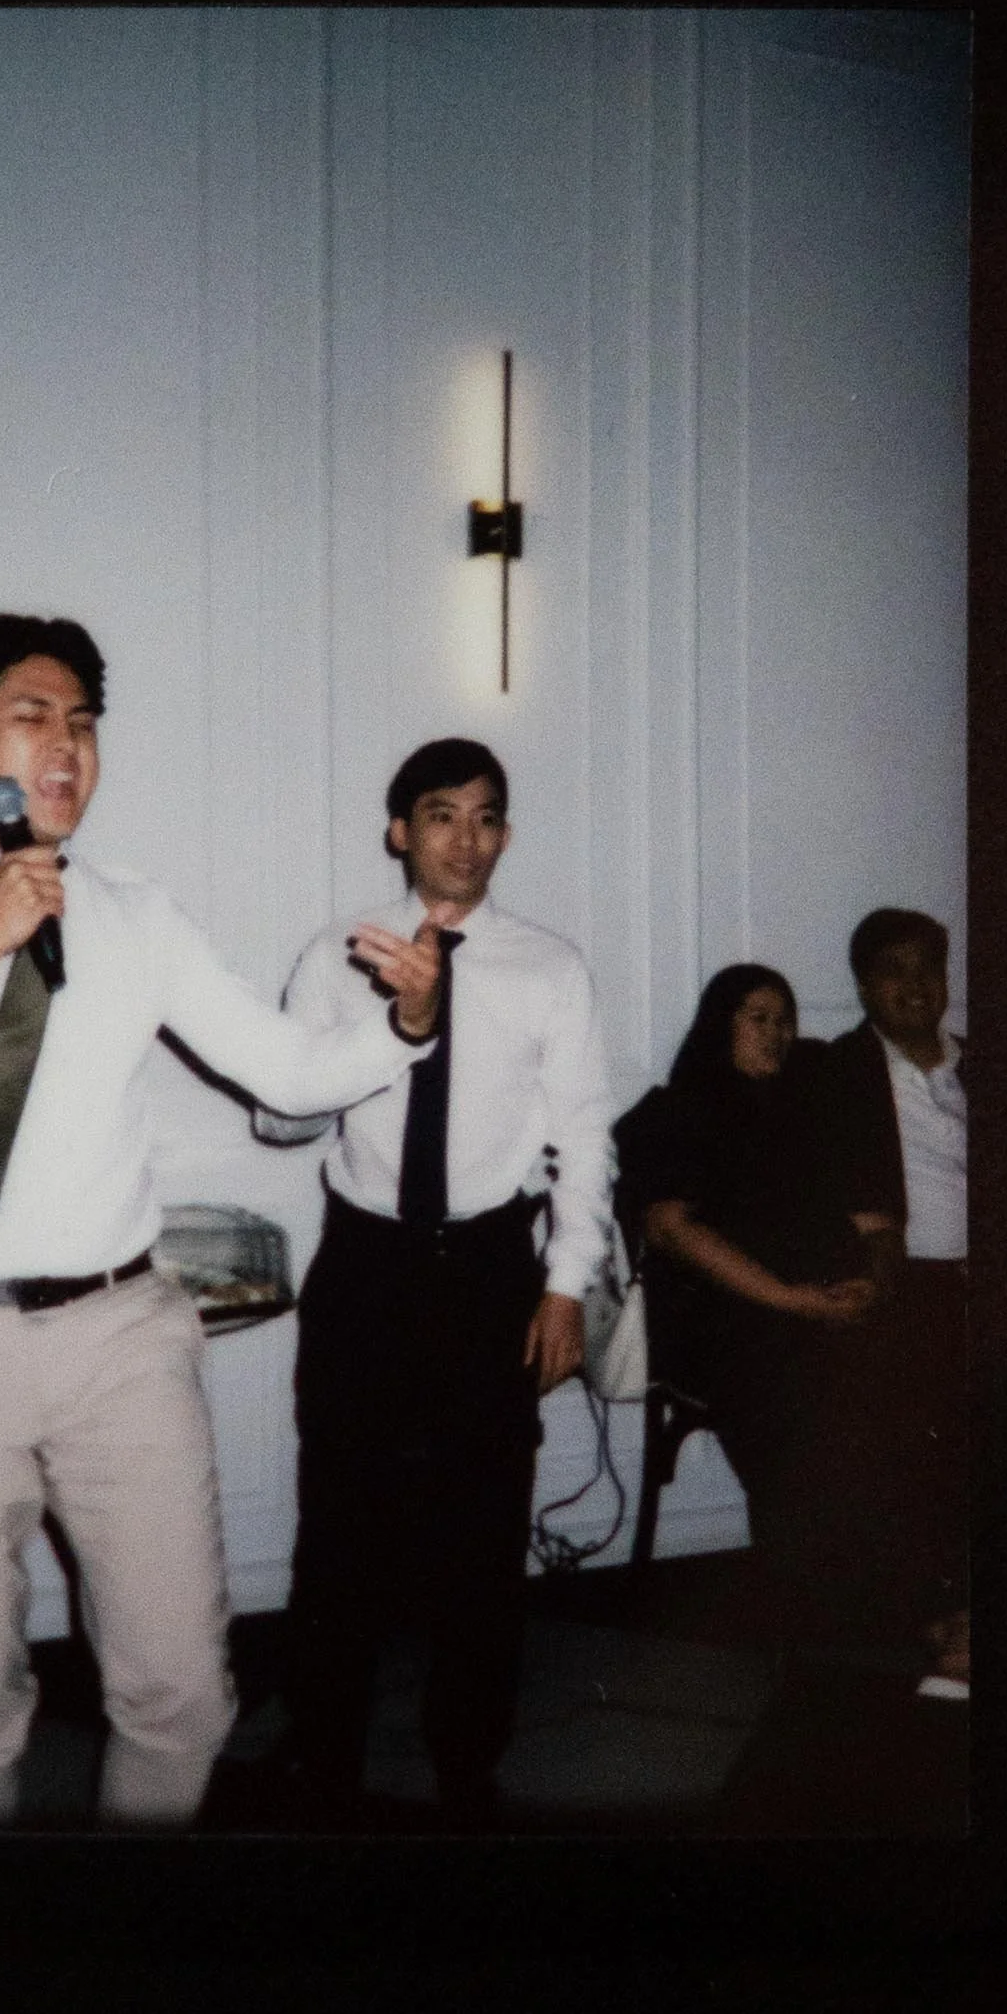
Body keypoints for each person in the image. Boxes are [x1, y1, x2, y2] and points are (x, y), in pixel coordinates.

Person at [0, 611, 447, 1828]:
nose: (67, 746)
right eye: (33, 716)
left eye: (84, 724)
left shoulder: (134, 911)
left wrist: (404, 1027)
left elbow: (286, 1068)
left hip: (119, 1339)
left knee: (182, 1693)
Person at [256, 738, 613, 1825]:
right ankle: (325, 1755)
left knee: (484, 1530)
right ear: (399, 831)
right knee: (340, 1524)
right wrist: (384, 1028)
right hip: (367, 1263)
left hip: (490, 1269)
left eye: (486, 816)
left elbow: (584, 1137)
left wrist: (566, 1285)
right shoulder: (338, 954)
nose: (467, 839)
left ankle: (468, 1761)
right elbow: (279, 1118)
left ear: (505, 833)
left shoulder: (550, 968)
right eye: (442, 814)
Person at [613, 965, 890, 1643]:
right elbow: (672, 1229)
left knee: (904, 1382)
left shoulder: (810, 1110)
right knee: (796, 1396)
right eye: (758, 1018)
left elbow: (875, 1223)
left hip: (821, 1304)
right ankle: (816, 1614)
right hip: (725, 1317)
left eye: (786, 1020)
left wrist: (877, 1282)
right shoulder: (679, 1112)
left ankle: (887, 1602)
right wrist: (790, 1300)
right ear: (721, 1025)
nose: (778, 1034)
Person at [822, 909, 968, 1687]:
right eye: (894, 970)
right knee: (928, 1427)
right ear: (862, 986)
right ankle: (950, 1618)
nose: (915, 986)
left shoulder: (985, 1064)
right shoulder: (838, 1072)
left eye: (928, 968)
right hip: (910, 1287)